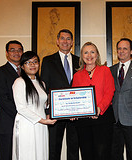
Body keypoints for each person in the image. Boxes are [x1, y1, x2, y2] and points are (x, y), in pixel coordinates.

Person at [41, 29, 80, 160]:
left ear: (72, 42)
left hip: (75, 113)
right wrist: (47, 109)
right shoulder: (48, 61)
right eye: (62, 38)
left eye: (68, 38)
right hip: (55, 112)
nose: (65, 41)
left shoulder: (79, 61)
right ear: (57, 41)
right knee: (54, 148)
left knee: (74, 147)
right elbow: (44, 87)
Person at [72, 42, 115, 160]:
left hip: (103, 118)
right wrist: (73, 112)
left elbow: (110, 91)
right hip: (83, 122)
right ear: (82, 56)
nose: (89, 55)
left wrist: (99, 108)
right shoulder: (77, 75)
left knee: (103, 154)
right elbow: (74, 97)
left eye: (92, 52)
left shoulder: (105, 70)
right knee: (87, 154)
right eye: (86, 52)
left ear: (97, 55)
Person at [12, 51, 56, 160]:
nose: (32, 65)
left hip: (41, 125)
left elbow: (44, 105)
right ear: (22, 66)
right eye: (28, 62)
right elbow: (21, 108)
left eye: (35, 62)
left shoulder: (42, 83)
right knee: (28, 154)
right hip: (26, 124)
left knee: (41, 153)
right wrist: (41, 120)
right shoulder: (19, 82)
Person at [110, 38, 132, 160]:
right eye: (119, 48)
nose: (121, 51)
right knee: (115, 153)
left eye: (125, 48)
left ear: (131, 51)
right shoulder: (110, 70)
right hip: (114, 119)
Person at [0, 40, 23, 160]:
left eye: (19, 50)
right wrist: (23, 115)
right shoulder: (0, 72)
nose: (16, 53)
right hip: (7, 125)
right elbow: (3, 99)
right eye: (12, 50)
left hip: (25, 126)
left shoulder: (27, 73)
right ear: (7, 53)